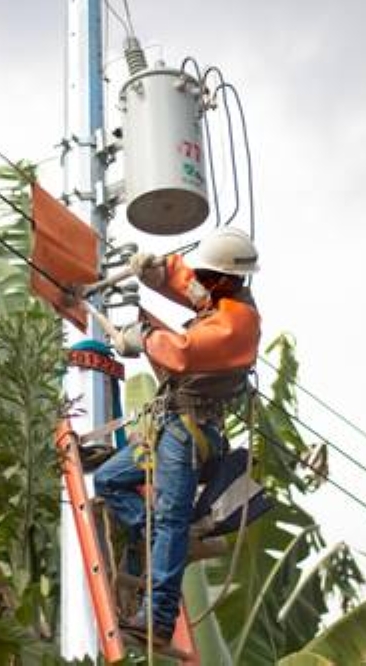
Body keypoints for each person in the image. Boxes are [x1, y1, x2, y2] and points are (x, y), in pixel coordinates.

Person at [93, 227, 261, 643]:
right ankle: (164, 540)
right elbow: (188, 282)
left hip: (188, 434)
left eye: (207, 275)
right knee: (109, 481)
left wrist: (145, 337)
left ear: (226, 279)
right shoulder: (219, 295)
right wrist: (156, 271)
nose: (199, 281)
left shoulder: (238, 322)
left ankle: (159, 620)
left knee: (170, 517)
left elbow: (184, 351)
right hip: (165, 428)